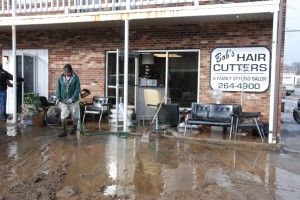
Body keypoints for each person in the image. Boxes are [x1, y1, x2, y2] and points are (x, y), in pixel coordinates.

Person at [55, 64, 81, 137]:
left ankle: (74, 128)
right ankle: (64, 131)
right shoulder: (61, 78)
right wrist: (58, 98)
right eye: (65, 73)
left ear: (71, 71)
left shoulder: (76, 78)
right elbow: (58, 89)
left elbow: (77, 90)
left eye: (68, 73)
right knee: (63, 115)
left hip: (73, 101)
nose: (66, 74)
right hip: (64, 100)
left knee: (75, 115)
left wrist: (72, 98)